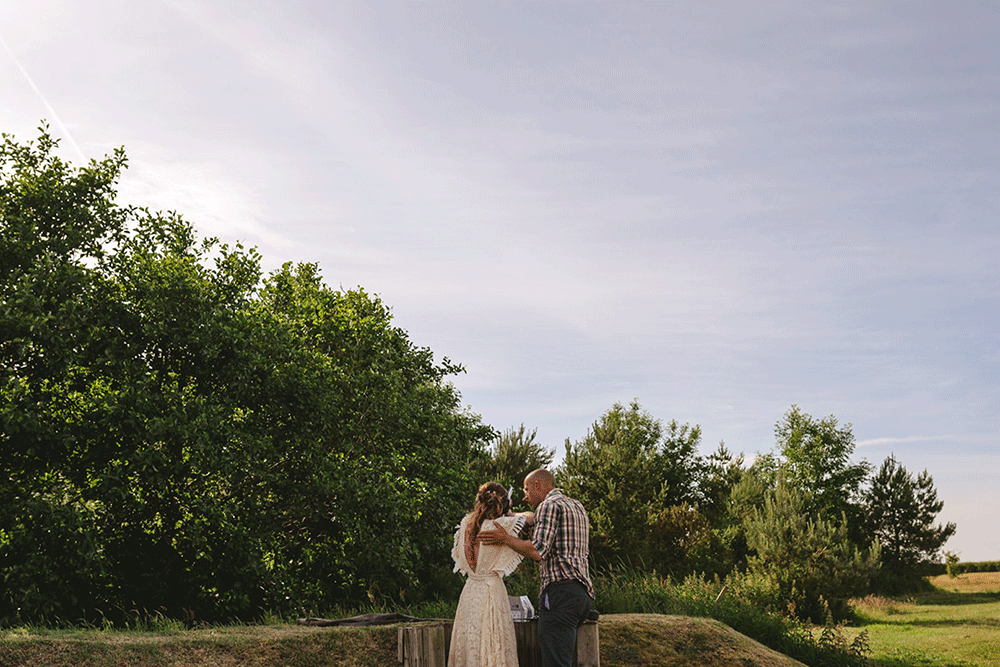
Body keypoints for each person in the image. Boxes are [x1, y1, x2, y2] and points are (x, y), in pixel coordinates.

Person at [478, 469, 593, 667]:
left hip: (559, 594)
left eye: (526, 489)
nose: (524, 496)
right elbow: (533, 521)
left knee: (555, 663)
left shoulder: (547, 506)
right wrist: (511, 516)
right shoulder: (576, 506)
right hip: (582, 595)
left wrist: (506, 538)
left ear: (538, 486)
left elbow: (537, 551)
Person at [448, 481, 528, 667]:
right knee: (493, 642)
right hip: (491, 591)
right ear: (503, 503)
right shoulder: (503, 525)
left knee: (469, 643)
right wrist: (510, 513)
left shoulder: (465, 524)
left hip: (470, 590)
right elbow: (531, 518)